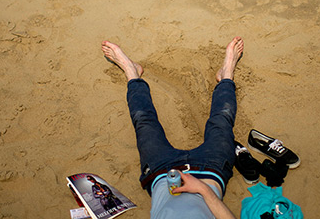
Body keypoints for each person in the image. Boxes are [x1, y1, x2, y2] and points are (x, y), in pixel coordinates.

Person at [101, 37, 244, 219]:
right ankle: (226, 76)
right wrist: (203, 190)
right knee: (222, 121)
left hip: (162, 171)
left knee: (144, 121)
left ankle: (132, 72)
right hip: (211, 170)